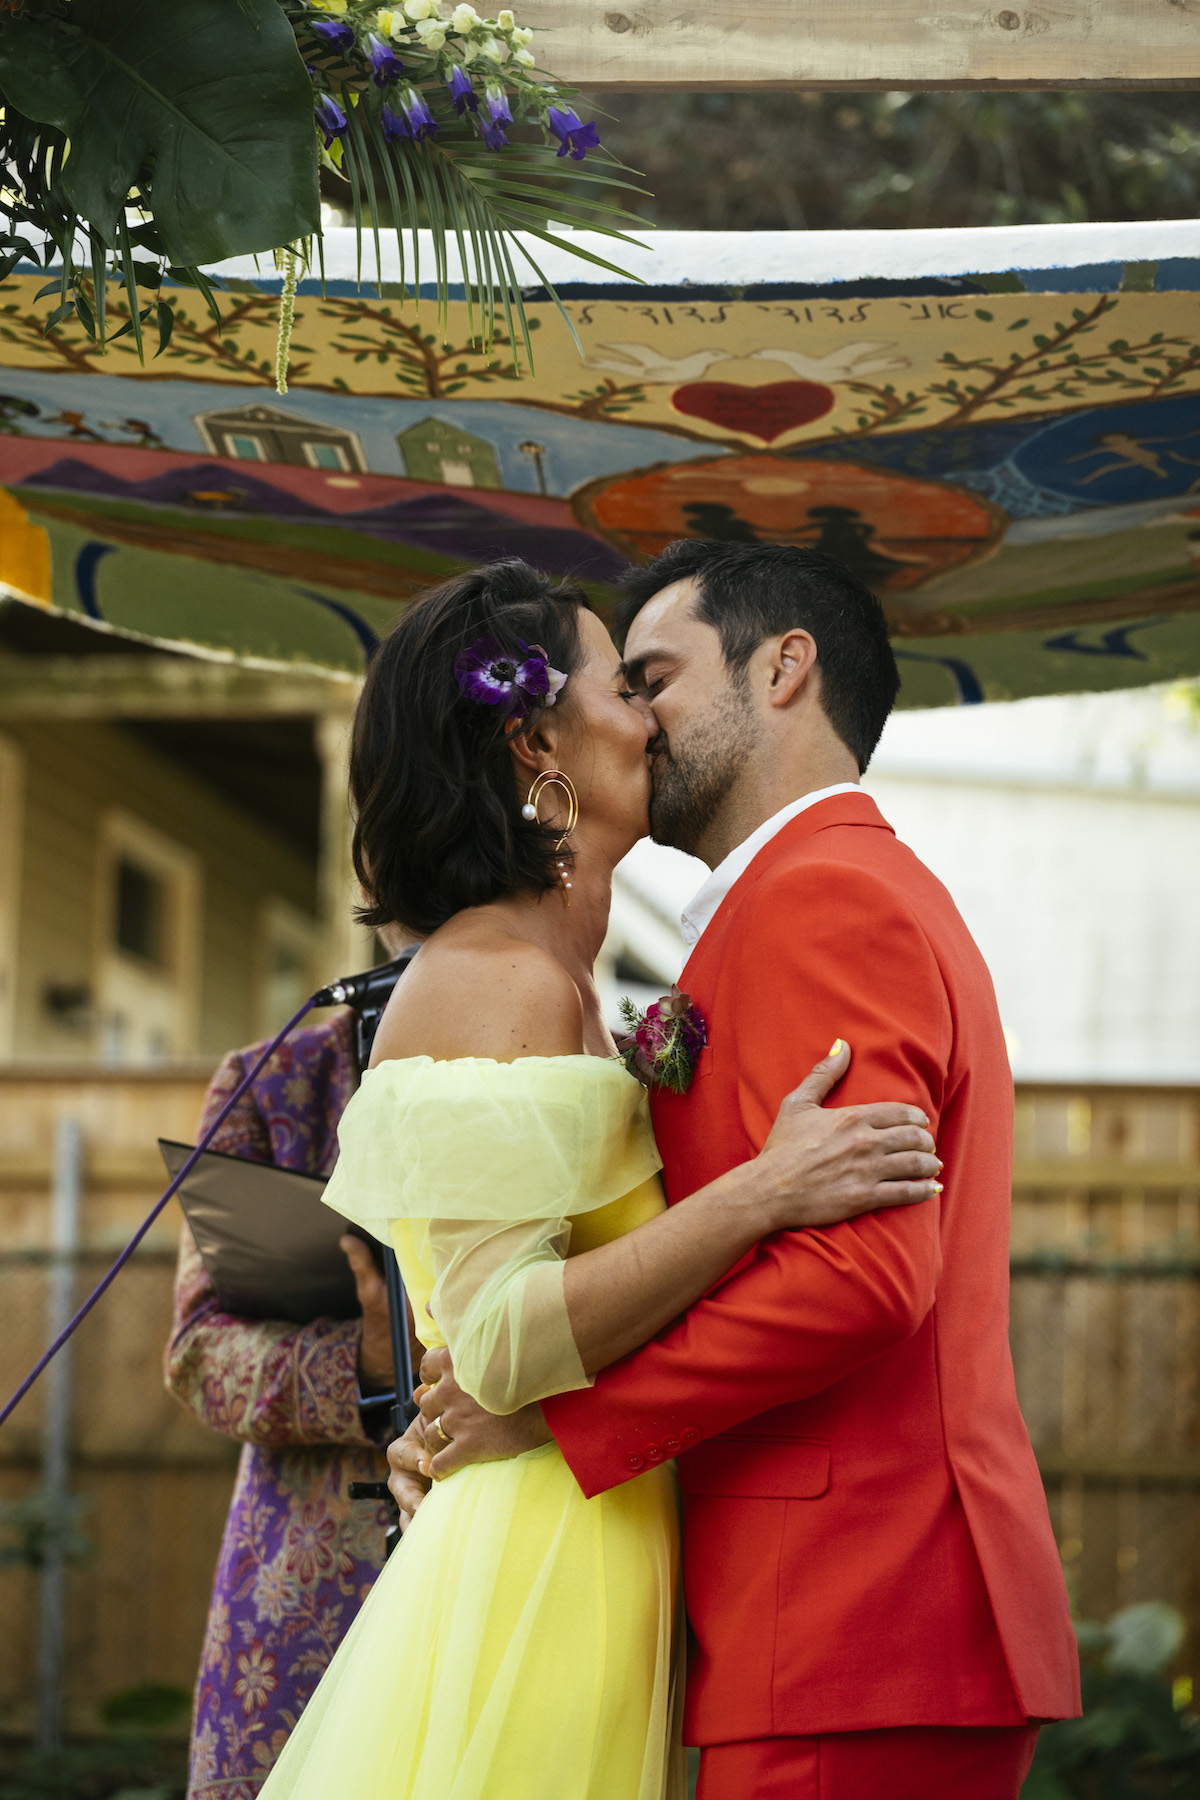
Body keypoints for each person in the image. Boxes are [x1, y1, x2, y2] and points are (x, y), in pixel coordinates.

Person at [391, 542, 1082, 1800]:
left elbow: (858, 1279)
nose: (638, 720)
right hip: (816, 1623)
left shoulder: (824, 899)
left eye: (655, 676)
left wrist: (556, 1418)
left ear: (784, 669)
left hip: (855, 1610)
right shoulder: (787, 906)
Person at [253, 558, 941, 1800]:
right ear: (535, 742)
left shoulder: (565, 981)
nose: (648, 713)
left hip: (609, 1536)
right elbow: (503, 1344)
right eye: (623, 682)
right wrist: (761, 1192)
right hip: (538, 1559)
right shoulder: (495, 978)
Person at [165, 956, 415, 1800]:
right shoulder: (273, 1083)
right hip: (305, 1596)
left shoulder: (567, 1061)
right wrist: (363, 1364)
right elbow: (199, 1353)